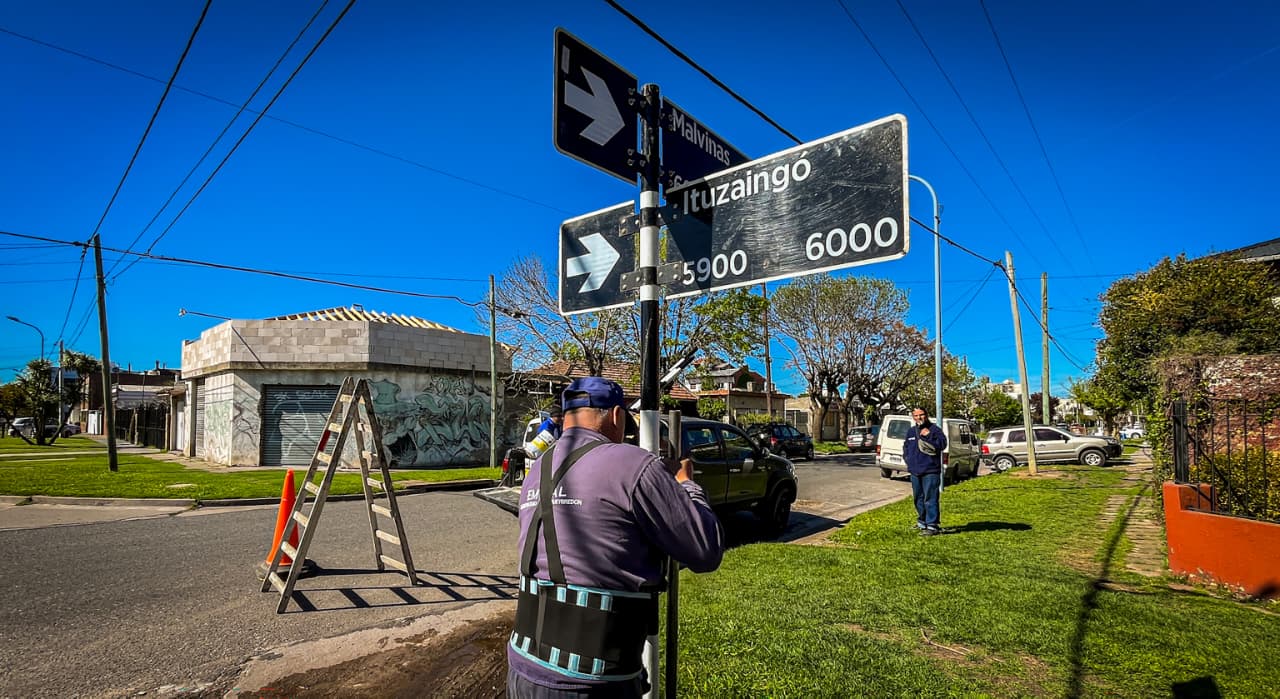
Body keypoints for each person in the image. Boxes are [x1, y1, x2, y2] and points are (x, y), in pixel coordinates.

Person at [507, 377, 724, 697]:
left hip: (523, 668)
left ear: (567, 418)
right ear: (617, 416)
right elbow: (705, 550)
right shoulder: (631, 463)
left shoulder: (538, 468)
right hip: (591, 681)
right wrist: (686, 485)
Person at [905, 407, 947, 536]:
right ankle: (922, 522)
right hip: (915, 471)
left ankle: (932, 525)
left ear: (926, 415)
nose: (919, 418)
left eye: (921, 415)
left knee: (930, 498)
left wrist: (929, 435)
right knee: (918, 498)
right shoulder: (911, 431)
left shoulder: (935, 430)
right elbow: (906, 447)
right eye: (916, 415)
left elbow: (942, 444)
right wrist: (908, 460)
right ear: (913, 417)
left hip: (930, 471)